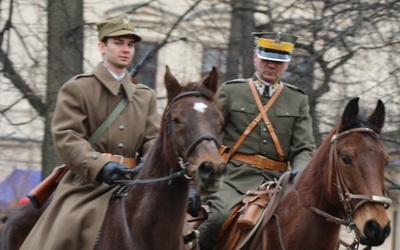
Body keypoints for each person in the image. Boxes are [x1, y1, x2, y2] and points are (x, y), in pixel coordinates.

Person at [20, 15, 160, 250]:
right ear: (102, 47)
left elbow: (152, 140)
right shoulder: (78, 88)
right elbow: (67, 137)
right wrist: (100, 166)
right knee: (65, 233)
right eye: (118, 43)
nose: (125, 49)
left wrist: (148, 168)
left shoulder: (145, 95)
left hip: (133, 180)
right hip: (87, 183)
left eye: (130, 44)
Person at [198, 31, 316, 249]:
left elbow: (304, 148)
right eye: (267, 59)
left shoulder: (297, 99)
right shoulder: (232, 91)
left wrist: (300, 172)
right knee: (216, 220)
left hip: (278, 182)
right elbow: (209, 132)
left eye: (278, 62)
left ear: (286, 65)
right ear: (255, 57)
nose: (271, 65)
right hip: (233, 178)